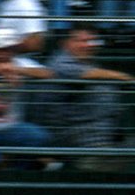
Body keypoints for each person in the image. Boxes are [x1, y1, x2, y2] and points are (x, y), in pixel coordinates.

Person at [46, 28, 132, 165]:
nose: (89, 45)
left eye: (92, 41)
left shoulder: (86, 61)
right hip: (76, 135)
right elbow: (78, 73)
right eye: (82, 41)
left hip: (102, 134)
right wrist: (123, 76)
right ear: (65, 43)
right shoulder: (60, 62)